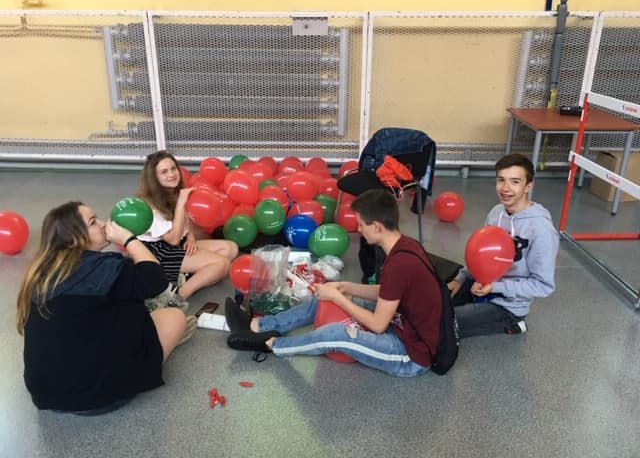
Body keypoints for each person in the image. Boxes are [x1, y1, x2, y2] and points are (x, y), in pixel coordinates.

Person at [224, 189, 442, 377]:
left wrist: (339, 297)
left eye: (361, 224)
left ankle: (273, 345)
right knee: (324, 299)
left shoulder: (399, 264)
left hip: (410, 355)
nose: (358, 229)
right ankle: (259, 326)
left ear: (376, 226)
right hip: (401, 323)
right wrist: (346, 287)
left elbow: (378, 325)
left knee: (336, 334)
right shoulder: (405, 246)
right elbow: (387, 292)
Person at [17, 202, 187, 415]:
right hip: (100, 397)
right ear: (75, 239)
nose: (103, 223)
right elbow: (155, 280)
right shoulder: (103, 268)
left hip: (47, 394)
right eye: (93, 222)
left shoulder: (41, 272)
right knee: (174, 317)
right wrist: (129, 240)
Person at [447, 153, 559, 338]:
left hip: (507, 305)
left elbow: (543, 285)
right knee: (434, 303)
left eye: (515, 182)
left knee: (443, 323)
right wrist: (460, 279)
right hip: (482, 284)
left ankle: (514, 323)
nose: (505, 188)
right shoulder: (496, 212)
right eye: (501, 180)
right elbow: (480, 254)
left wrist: (496, 287)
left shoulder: (541, 230)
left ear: (528, 185)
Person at [137, 150, 238, 309]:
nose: (171, 174)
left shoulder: (174, 191)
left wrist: (191, 238)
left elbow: (187, 219)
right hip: (160, 252)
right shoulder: (150, 206)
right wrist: (181, 203)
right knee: (222, 264)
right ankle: (176, 297)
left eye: (173, 168)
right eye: (164, 172)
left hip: (179, 241)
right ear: (154, 178)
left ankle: (184, 276)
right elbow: (173, 240)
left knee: (230, 248)